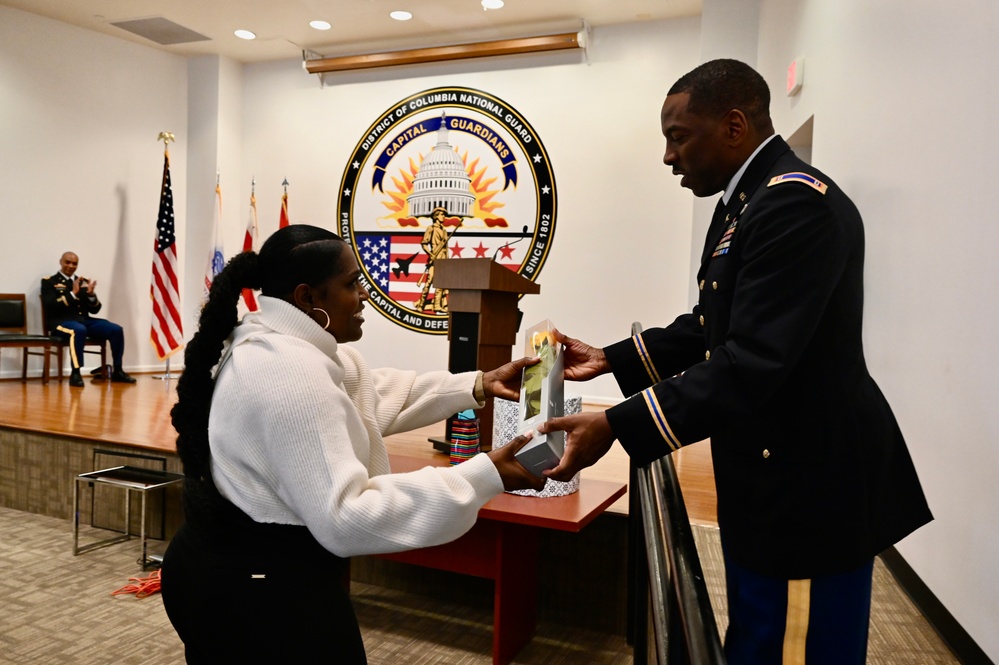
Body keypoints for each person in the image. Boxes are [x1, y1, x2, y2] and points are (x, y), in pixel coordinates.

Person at [539, 59, 932, 664]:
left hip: (809, 487)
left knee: (794, 649)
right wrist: (613, 359)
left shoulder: (793, 205)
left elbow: (752, 360)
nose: (668, 157)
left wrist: (617, 424)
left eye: (678, 135)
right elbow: (710, 324)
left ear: (734, 125)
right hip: (772, 474)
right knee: (756, 636)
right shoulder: (745, 202)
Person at [161, 224, 544, 664]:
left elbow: (367, 397)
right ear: (308, 298)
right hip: (256, 592)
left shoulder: (279, 343)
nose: (364, 295)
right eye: (351, 283)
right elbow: (347, 516)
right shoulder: (289, 372)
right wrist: (482, 476)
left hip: (227, 566)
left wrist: (478, 383)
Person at [40, 251, 136, 387]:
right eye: (67, 262)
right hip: (60, 323)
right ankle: (76, 372)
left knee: (115, 329)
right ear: (60, 262)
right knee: (78, 330)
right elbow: (51, 306)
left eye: (74, 263)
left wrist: (91, 295)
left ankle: (118, 370)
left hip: (83, 320)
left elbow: (94, 309)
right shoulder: (50, 281)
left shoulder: (82, 282)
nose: (71, 265)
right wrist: (73, 294)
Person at [414, 206, 452, 312]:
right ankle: (421, 305)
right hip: (435, 260)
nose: (443, 217)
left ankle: (437, 306)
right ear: (436, 216)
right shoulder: (431, 229)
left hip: (443, 261)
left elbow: (446, 249)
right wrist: (431, 254)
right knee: (429, 282)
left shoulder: (444, 231)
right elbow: (424, 243)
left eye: (444, 215)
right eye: (441, 214)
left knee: (440, 284)